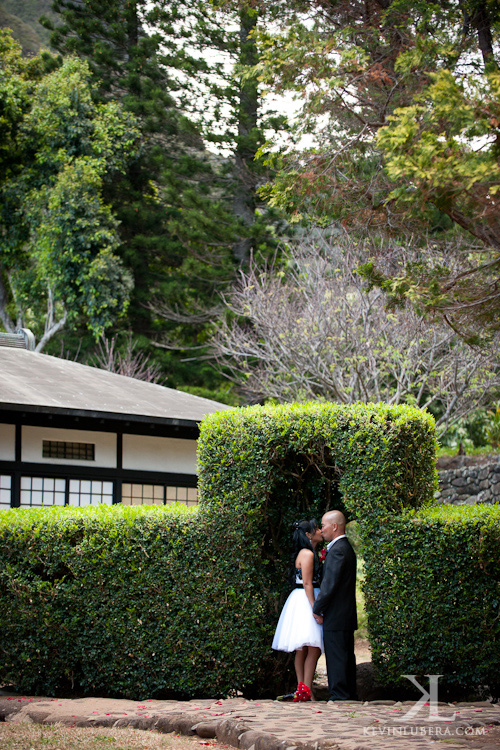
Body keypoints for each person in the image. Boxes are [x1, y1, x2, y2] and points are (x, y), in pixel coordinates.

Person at [272, 518, 324, 701]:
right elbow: (308, 583)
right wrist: (315, 609)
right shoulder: (308, 555)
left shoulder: (305, 552)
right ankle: (306, 690)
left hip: (299, 598)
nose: (320, 531)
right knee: (314, 648)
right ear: (308, 534)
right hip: (306, 599)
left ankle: (301, 689)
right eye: (317, 529)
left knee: (302, 649)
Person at [313, 510, 358, 702]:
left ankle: (340, 695)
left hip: (337, 614)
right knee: (345, 656)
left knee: (337, 656)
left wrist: (316, 608)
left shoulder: (338, 550)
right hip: (344, 614)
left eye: (323, 525)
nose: (321, 530)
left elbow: (330, 585)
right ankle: (348, 694)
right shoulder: (344, 547)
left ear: (334, 526)